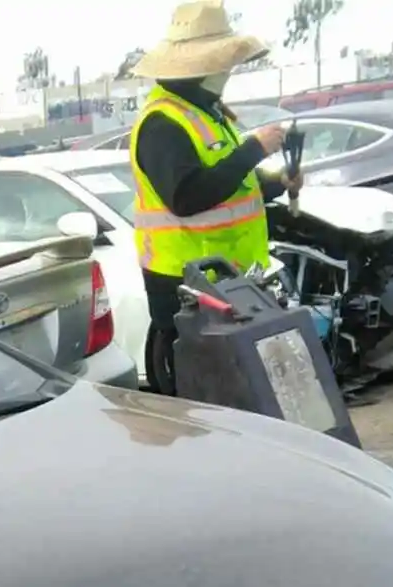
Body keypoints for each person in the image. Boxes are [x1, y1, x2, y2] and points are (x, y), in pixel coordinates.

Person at [126, 0, 300, 394]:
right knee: (206, 398)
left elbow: (230, 185)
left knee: (242, 394)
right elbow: (187, 197)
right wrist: (253, 148)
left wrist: (277, 184)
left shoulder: (206, 112)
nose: (228, 71)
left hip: (229, 282)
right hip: (188, 286)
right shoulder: (163, 123)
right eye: (223, 63)